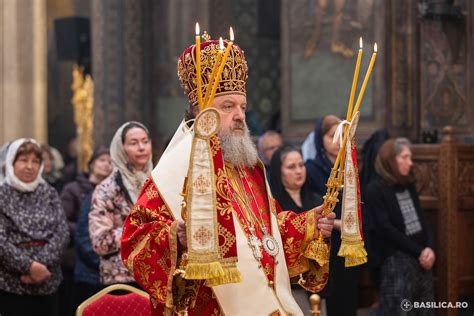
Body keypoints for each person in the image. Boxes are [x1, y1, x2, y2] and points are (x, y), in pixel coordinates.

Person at [121, 38, 336, 315]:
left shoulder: (247, 167)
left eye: (242, 107)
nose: (239, 116)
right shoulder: (172, 171)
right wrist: (175, 237)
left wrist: (309, 224)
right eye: (227, 106)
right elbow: (134, 241)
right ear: (202, 114)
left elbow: (267, 235)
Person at [365, 138, 435, 315]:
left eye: (410, 157)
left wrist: (429, 248)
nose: (410, 162)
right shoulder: (375, 189)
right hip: (396, 262)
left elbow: (421, 220)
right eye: (404, 157)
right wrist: (419, 252)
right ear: (391, 160)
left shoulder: (408, 184)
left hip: (421, 258)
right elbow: (386, 229)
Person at [0, 138, 69, 316]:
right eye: (23, 160)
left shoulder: (49, 193)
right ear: (11, 163)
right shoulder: (2, 194)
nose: (30, 166)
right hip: (11, 285)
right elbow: (1, 242)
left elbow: (62, 233)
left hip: (48, 281)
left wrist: (41, 267)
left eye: (35, 161)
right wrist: (29, 267)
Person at [305, 115, 360, 316]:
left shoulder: (350, 169)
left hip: (348, 243)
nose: (338, 142)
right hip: (326, 243)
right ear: (321, 139)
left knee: (349, 298)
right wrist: (337, 223)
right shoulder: (311, 169)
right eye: (332, 136)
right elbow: (312, 208)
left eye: (343, 136)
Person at [89, 121, 152, 286]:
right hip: (122, 278)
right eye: (133, 143)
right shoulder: (107, 189)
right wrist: (142, 229)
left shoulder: (158, 182)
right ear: (121, 149)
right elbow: (100, 242)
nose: (141, 147)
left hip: (156, 275)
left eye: (145, 141)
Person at [268, 145, 323, 312]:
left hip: (317, 281)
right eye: (291, 167)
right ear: (279, 172)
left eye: (301, 165)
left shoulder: (316, 200)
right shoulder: (272, 204)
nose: (299, 171)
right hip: (290, 286)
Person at [59, 147, 112, 315]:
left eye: (110, 162)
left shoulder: (113, 191)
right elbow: (63, 221)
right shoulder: (73, 189)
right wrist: (91, 231)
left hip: (106, 261)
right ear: (91, 164)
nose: (106, 165)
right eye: (102, 160)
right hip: (79, 255)